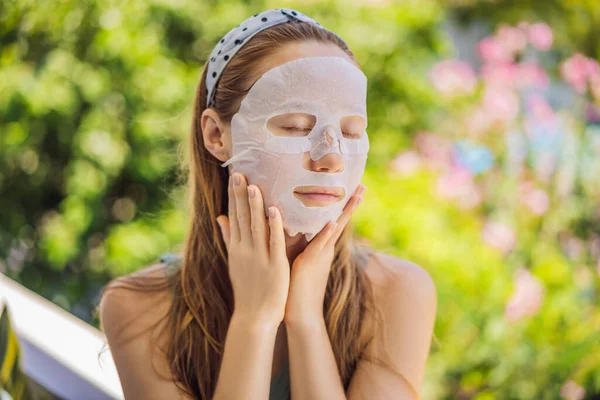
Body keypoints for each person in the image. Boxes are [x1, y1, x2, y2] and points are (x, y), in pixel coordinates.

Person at [97, 8, 437, 400]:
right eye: (295, 126)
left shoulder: (397, 292)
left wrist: (306, 319)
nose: (331, 157)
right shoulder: (139, 308)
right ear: (216, 135)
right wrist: (254, 321)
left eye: (351, 131)